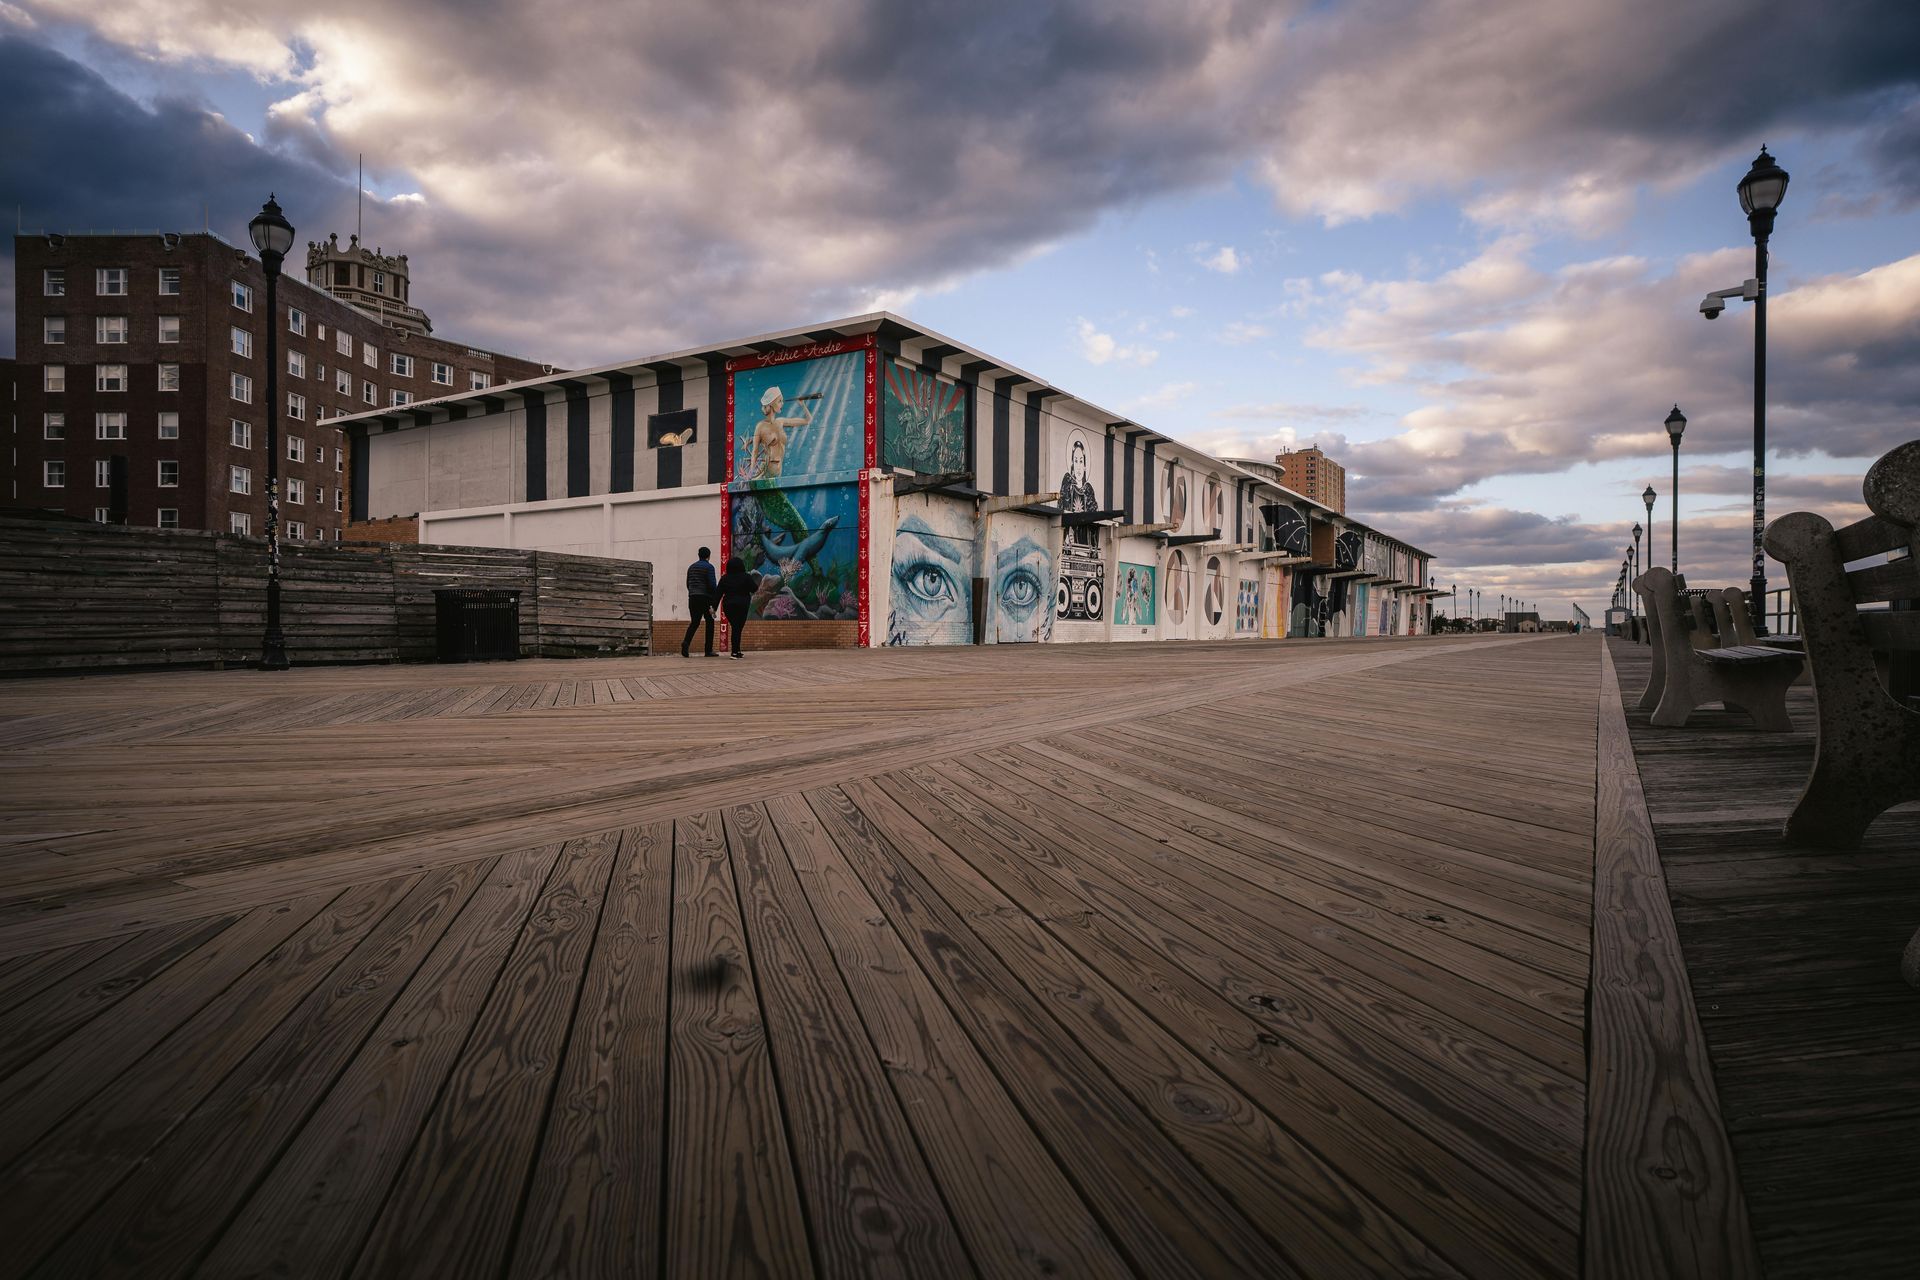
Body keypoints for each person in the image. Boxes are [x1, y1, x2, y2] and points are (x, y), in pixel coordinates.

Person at [715, 556, 757, 658]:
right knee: (738, 627)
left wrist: (713, 608)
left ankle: (737, 651)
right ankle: (734, 652)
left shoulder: (725, 578)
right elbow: (754, 588)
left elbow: (718, 594)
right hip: (742, 605)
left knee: (736, 627)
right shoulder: (746, 576)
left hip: (729, 606)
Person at [681, 547, 718, 658]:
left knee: (695, 622)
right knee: (710, 622)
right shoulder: (709, 567)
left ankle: (686, 643)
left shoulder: (691, 567)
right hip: (705, 598)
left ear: (699, 555)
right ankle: (708, 650)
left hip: (693, 597)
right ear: (709, 556)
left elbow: (688, 584)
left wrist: (693, 592)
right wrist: (714, 597)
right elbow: (712, 585)